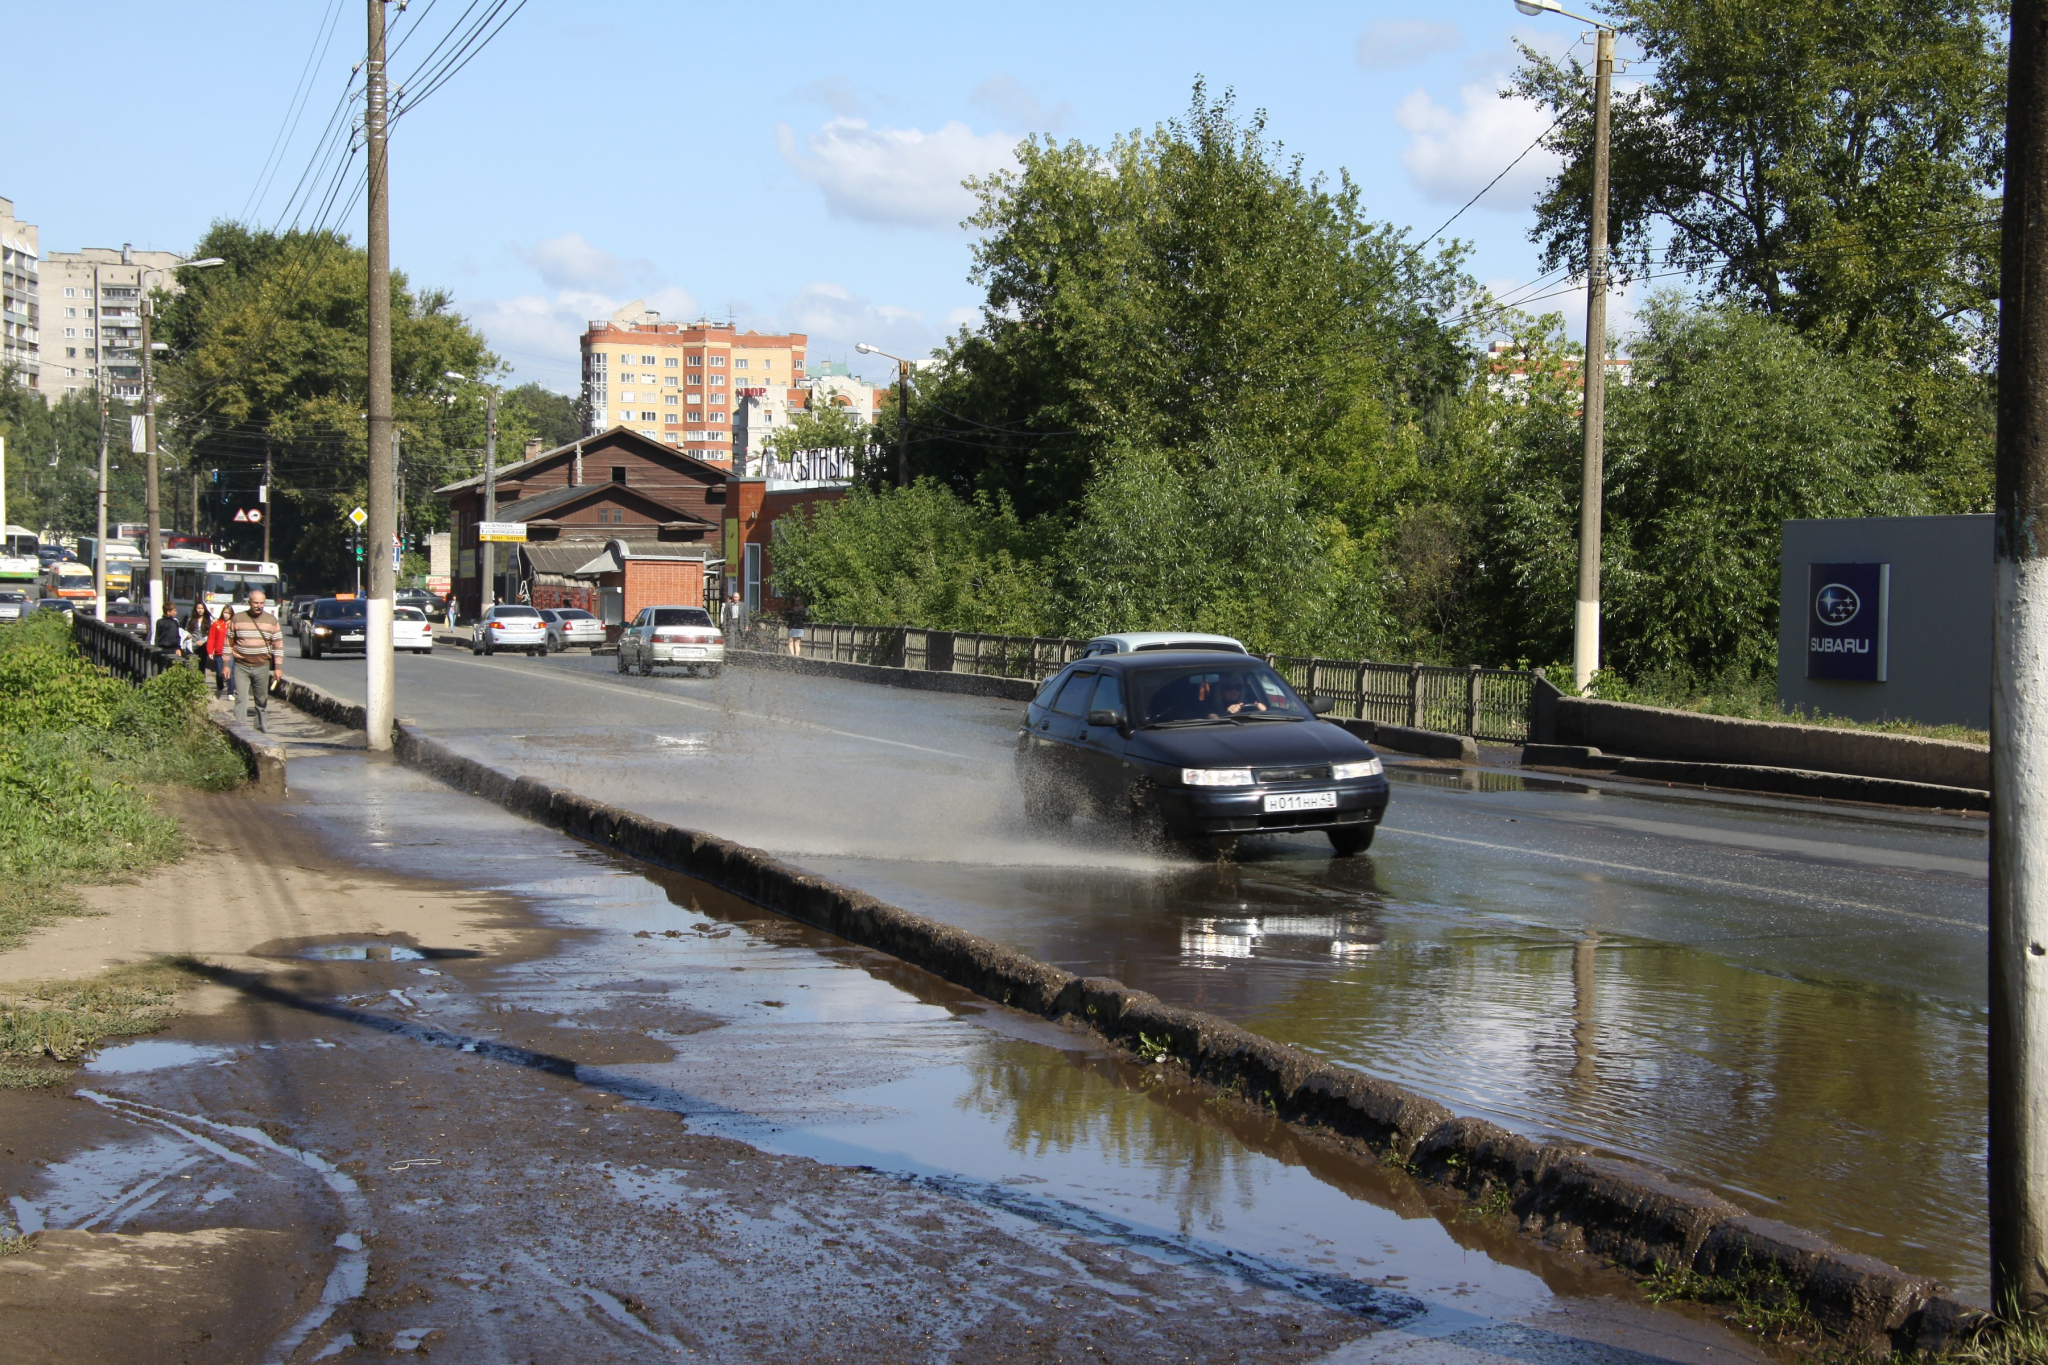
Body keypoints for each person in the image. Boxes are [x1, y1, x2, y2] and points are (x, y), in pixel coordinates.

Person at [225, 591, 285, 732]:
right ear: (249, 603)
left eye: (261, 603)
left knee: (261, 700)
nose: (259, 606)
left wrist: (278, 667)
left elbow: (278, 645)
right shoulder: (237, 619)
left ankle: (259, 731)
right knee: (241, 699)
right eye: (256, 603)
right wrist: (226, 664)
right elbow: (227, 642)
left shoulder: (271, 621)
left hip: (262, 666)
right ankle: (240, 731)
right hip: (241, 666)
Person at [205, 606, 234, 697]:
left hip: (230, 652)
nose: (226, 615)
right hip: (219, 652)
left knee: (230, 672)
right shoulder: (216, 624)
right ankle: (220, 687)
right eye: (225, 613)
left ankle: (230, 692)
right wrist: (210, 651)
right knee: (219, 674)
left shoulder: (234, 624)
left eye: (229, 613)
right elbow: (211, 638)